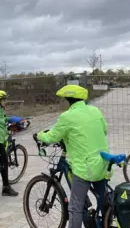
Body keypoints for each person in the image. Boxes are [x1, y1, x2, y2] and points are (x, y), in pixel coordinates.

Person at [34, 84, 109, 228]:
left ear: (68, 99)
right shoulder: (95, 110)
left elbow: (52, 137)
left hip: (85, 168)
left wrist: (39, 135)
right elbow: (104, 130)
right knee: (104, 200)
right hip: (102, 164)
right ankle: (106, 219)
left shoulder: (67, 116)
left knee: (75, 208)